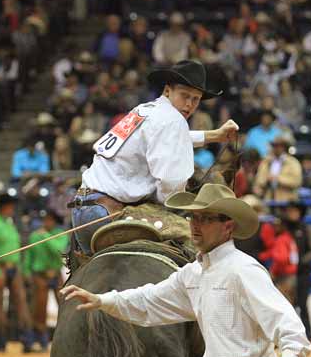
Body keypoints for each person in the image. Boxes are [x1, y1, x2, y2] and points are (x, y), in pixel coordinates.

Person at [62, 184, 311, 357]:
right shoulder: (194, 272)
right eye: (193, 217)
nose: (195, 225)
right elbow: (150, 300)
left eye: (206, 219)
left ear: (228, 227)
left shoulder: (243, 270)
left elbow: (286, 319)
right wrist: (103, 301)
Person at [69, 59, 239, 255]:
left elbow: (166, 139)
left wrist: (214, 135)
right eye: (185, 96)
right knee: (197, 241)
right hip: (109, 215)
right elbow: (171, 193)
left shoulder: (145, 110)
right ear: (168, 91)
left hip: (83, 212)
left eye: (195, 99)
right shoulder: (173, 121)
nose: (189, 104)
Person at [0, 193, 34, 352]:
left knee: (21, 303)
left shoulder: (10, 224)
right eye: (10, 205)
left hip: (14, 266)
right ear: (3, 206)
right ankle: (1, 340)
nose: (13, 208)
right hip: (0, 267)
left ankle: (26, 340)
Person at [23, 210, 69, 351]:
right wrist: (26, 271)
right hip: (39, 274)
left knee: (64, 306)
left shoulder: (60, 235)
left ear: (54, 221)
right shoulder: (34, 236)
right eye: (45, 220)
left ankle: (64, 339)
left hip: (55, 273)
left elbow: (59, 249)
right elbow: (29, 256)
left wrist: (46, 237)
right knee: (39, 308)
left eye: (49, 220)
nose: (46, 222)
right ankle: (41, 340)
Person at [283, 201, 311, 340]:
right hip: (286, 274)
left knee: (303, 304)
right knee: (286, 306)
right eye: (290, 211)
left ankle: (308, 335)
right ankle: (287, 337)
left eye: (295, 211)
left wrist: (301, 262)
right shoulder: (284, 229)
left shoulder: (307, 229)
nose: (292, 213)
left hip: (302, 273)